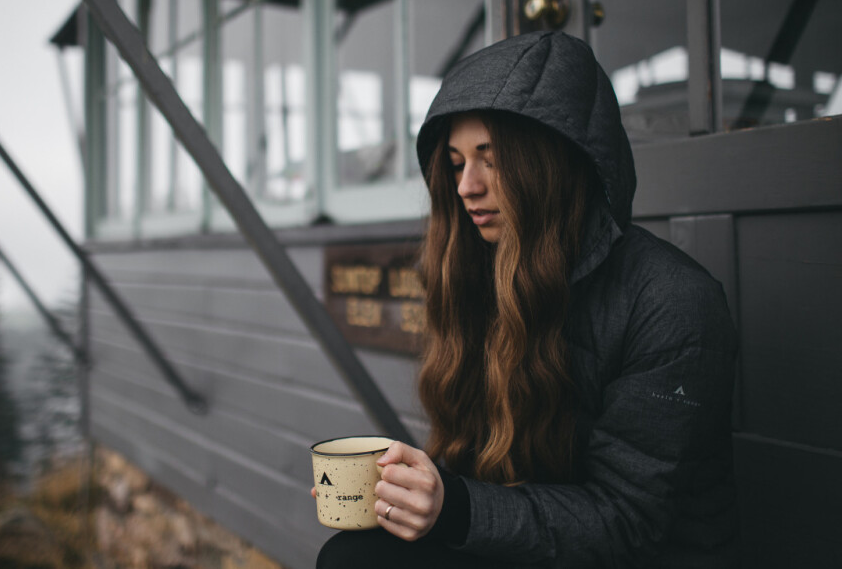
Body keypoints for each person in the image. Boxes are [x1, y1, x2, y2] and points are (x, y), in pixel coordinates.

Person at [316, 31, 739, 568]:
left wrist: (456, 508)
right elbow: (487, 470)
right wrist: (407, 494)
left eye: (489, 159)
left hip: (632, 554)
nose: (467, 185)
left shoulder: (673, 303)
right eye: (455, 162)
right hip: (536, 541)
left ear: (552, 160)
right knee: (355, 553)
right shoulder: (487, 270)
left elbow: (630, 521)